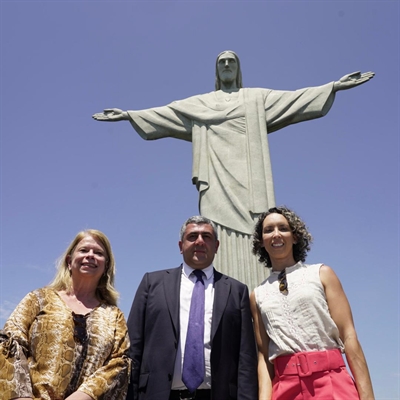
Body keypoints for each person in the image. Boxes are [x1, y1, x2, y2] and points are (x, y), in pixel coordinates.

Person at [92, 50, 374, 290]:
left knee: (257, 228)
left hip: (251, 181)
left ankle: (261, 292)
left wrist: (333, 86)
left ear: (238, 70)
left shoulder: (255, 99)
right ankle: (222, 294)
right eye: (222, 62)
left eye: (232, 62)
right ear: (216, 71)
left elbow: (294, 100)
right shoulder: (201, 104)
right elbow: (166, 114)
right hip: (215, 180)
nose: (227, 66)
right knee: (216, 231)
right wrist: (130, 115)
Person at [126, 215, 258, 400]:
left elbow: (246, 357)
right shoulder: (152, 283)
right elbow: (133, 346)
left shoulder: (237, 291)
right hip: (157, 394)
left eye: (206, 237)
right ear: (181, 246)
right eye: (192, 236)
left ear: (217, 246)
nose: (200, 242)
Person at [250, 206, 374, 400]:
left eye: (283, 228)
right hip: (285, 389)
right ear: (261, 241)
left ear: (296, 236)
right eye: (268, 230)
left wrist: (367, 396)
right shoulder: (257, 295)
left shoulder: (322, 274)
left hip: (332, 382)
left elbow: (349, 336)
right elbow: (265, 357)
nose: (276, 234)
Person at [0, 229, 131, 400]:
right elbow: (9, 343)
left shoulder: (114, 316)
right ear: (69, 261)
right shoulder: (38, 299)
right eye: (84, 250)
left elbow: (119, 363)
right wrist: (21, 397)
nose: (90, 255)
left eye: (98, 253)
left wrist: (82, 396)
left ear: (106, 266)